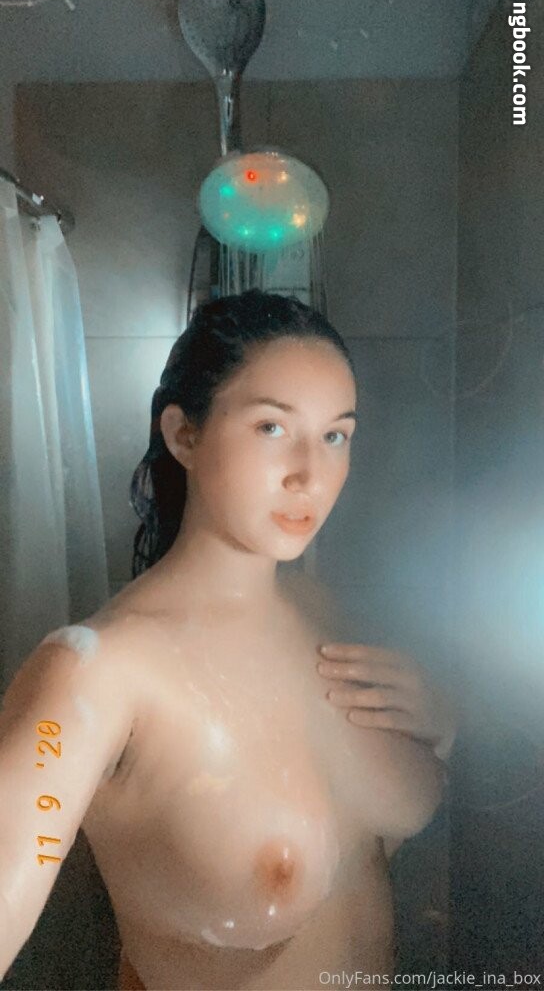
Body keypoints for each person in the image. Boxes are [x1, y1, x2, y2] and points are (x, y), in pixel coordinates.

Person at [0, 289, 457, 991]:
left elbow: (365, 832)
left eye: (335, 436)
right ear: (184, 435)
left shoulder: (327, 612)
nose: (310, 473)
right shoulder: (95, 676)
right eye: (272, 427)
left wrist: (442, 727)